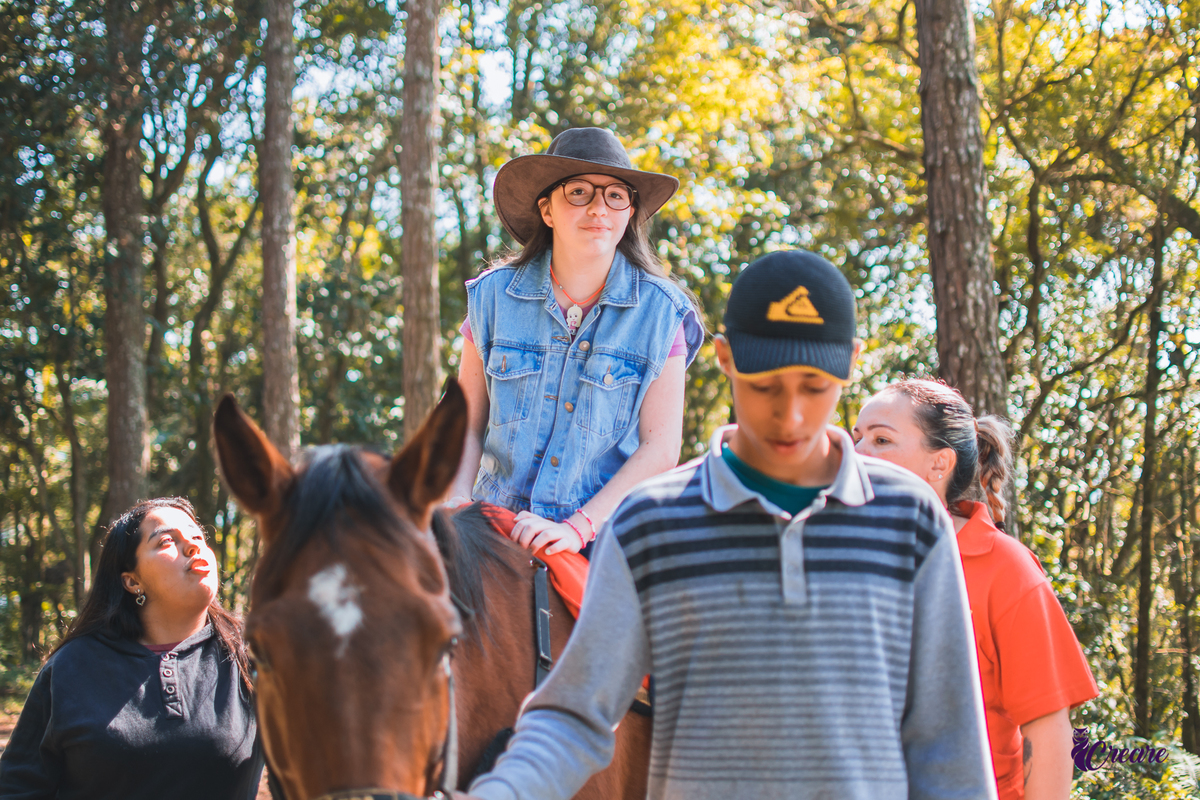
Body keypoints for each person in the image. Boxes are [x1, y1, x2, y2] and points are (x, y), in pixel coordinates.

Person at [460, 250, 996, 800]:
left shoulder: (909, 519)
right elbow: (577, 718)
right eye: (764, 385)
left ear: (851, 362)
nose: (790, 415)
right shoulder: (652, 525)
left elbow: (947, 741)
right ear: (724, 357)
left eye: (814, 387)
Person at [447, 127, 704, 556]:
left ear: (630, 213)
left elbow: (660, 448)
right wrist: (455, 504)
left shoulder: (663, 313)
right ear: (547, 210)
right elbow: (464, 424)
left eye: (615, 196)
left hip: (600, 539)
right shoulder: (491, 298)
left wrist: (576, 528)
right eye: (579, 192)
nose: (599, 208)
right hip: (491, 532)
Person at [853, 380, 1098, 800]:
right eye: (856, 438)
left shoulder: (1006, 569)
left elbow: (1049, 731)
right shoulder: (838, 556)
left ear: (940, 463)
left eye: (881, 439)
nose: (858, 455)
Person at [0, 497, 264, 800]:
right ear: (132, 581)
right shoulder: (71, 667)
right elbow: (17, 787)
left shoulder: (252, 656)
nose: (194, 547)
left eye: (197, 537)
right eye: (167, 540)